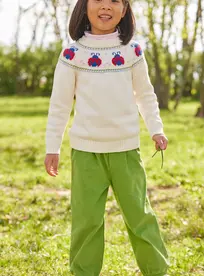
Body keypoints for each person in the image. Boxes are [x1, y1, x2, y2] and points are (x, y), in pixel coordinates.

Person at [44, 0, 170, 275]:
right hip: (86, 152)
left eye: (115, 1)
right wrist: (52, 147)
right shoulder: (72, 54)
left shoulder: (132, 51)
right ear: (84, 6)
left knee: (140, 216)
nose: (106, 6)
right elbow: (60, 104)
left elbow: (145, 95)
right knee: (86, 222)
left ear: (124, 10)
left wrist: (156, 128)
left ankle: (157, 271)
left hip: (126, 150)